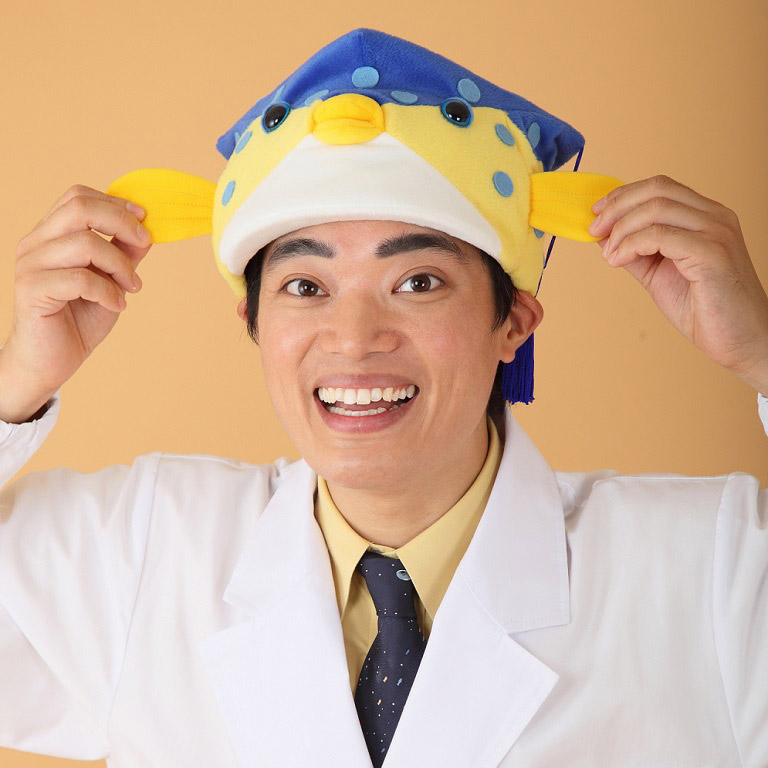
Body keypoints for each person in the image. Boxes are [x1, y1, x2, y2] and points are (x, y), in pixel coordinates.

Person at [1, 27, 766, 768]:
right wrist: (17, 379)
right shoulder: (140, 551)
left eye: (418, 282)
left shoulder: (709, 569)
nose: (354, 338)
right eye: (306, 286)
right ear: (253, 322)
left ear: (513, 323)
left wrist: (762, 353)